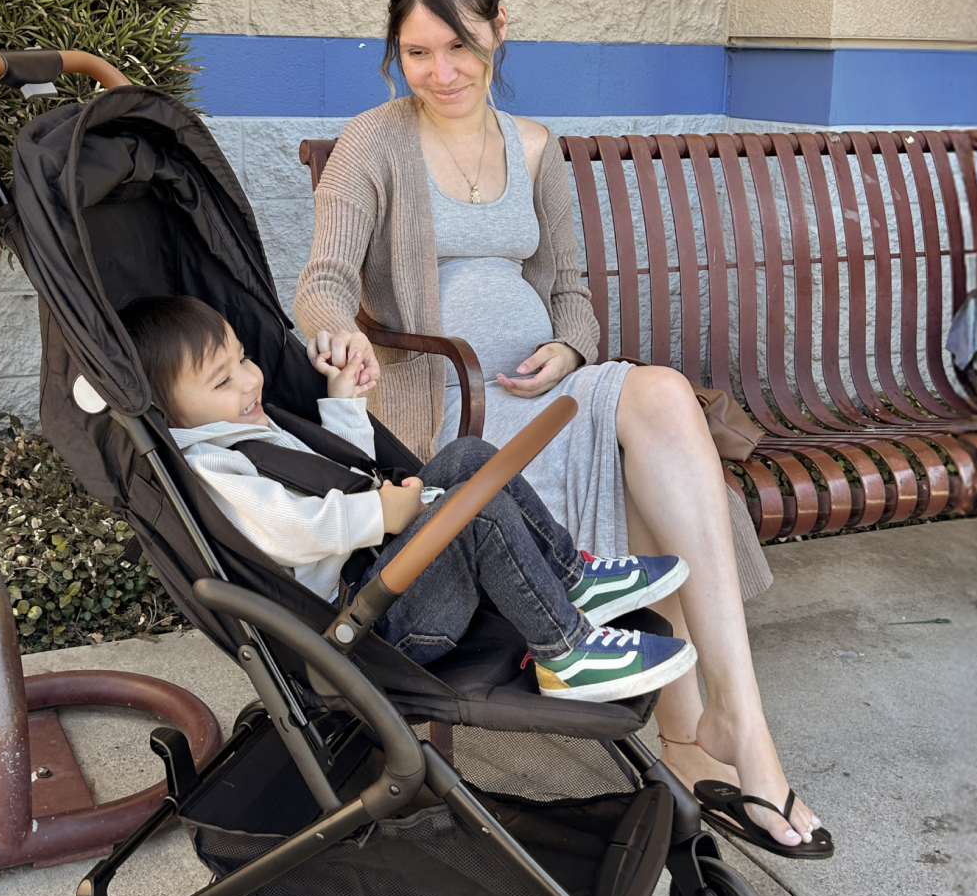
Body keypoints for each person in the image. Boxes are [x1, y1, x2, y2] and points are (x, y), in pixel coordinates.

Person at [291, 0, 830, 857]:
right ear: (394, 55)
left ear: (500, 29)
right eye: (419, 53)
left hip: (547, 397)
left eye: (461, 46)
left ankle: (739, 731)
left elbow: (572, 294)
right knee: (651, 476)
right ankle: (695, 727)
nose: (443, 71)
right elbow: (326, 280)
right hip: (447, 418)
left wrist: (571, 352)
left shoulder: (535, 146)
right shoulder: (372, 147)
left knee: (659, 394)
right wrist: (338, 335)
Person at [119, 294, 695, 704]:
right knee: (478, 509)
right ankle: (565, 655)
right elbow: (286, 527)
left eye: (243, 359)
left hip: (384, 575)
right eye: (221, 381)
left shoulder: (246, 426)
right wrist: (379, 514)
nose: (249, 380)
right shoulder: (209, 463)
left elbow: (337, 474)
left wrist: (343, 403)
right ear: (166, 410)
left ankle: (570, 577)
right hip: (374, 627)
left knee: (469, 457)